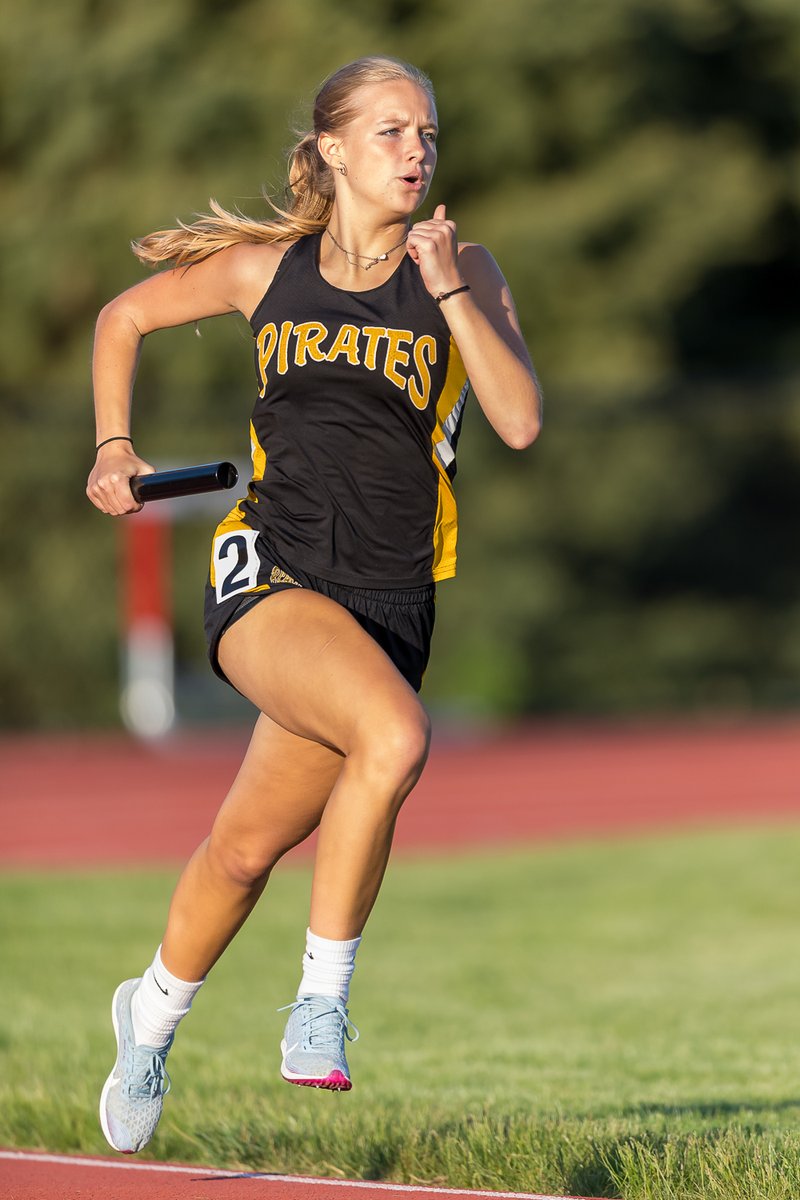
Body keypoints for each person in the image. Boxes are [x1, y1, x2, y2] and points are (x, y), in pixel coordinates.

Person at [86, 54, 541, 1155]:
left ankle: (147, 1013)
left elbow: (519, 421)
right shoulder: (264, 273)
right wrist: (112, 446)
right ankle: (319, 1004)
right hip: (270, 571)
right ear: (332, 149)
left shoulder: (464, 268)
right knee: (394, 736)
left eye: (426, 132)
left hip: (388, 600)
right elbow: (120, 318)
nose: (415, 152)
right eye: (389, 132)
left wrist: (444, 289)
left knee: (244, 850)